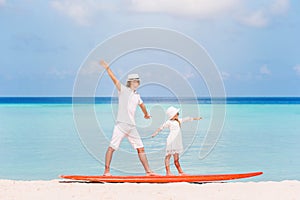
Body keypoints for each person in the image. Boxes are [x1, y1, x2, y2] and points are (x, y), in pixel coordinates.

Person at [100, 60, 157, 176]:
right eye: (134, 81)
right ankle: (106, 171)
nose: (136, 83)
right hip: (121, 125)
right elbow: (114, 79)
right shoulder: (123, 90)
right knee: (112, 147)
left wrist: (146, 114)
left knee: (141, 148)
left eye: (137, 82)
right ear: (130, 83)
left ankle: (148, 172)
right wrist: (107, 68)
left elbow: (142, 105)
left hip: (131, 127)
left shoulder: (137, 96)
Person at [152, 106, 202, 176]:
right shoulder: (169, 122)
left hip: (177, 142)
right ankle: (168, 172)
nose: (178, 114)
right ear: (172, 115)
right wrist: (155, 133)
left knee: (176, 158)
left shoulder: (178, 121)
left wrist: (197, 118)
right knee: (168, 156)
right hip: (171, 141)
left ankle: (180, 172)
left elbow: (187, 119)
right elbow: (161, 127)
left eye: (178, 113)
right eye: (176, 113)